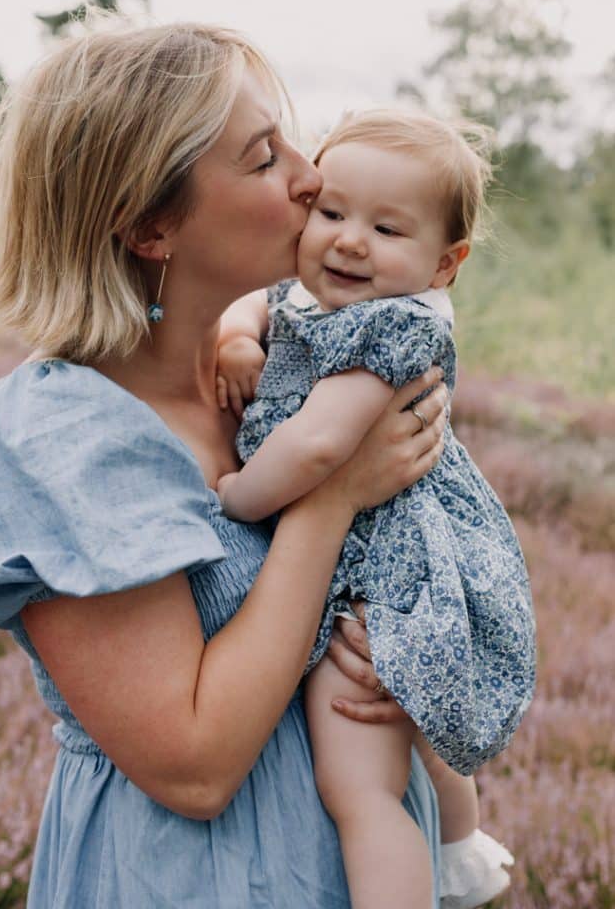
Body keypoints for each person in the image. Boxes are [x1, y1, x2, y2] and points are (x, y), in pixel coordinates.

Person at [0, 20, 451, 908]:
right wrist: (330, 503)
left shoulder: (283, 373)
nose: (309, 175)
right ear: (148, 225)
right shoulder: (63, 436)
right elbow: (194, 766)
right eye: (261, 158)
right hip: (193, 879)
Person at [216, 109, 536, 909]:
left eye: (386, 229)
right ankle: (460, 849)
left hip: (378, 575)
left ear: (444, 264)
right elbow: (257, 302)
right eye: (330, 213)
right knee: (413, 736)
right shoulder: (311, 295)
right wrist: (234, 342)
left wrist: (231, 497)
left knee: (356, 787)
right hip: (379, 546)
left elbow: (320, 448)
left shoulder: (391, 329)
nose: (350, 241)